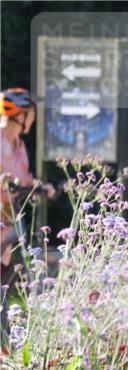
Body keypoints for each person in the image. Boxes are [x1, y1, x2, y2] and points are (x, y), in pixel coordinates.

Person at [1, 87, 55, 271]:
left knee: (8, 267)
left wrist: (39, 186)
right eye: (30, 114)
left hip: (9, 218)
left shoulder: (19, 145)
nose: (33, 118)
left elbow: (23, 179)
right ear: (18, 115)